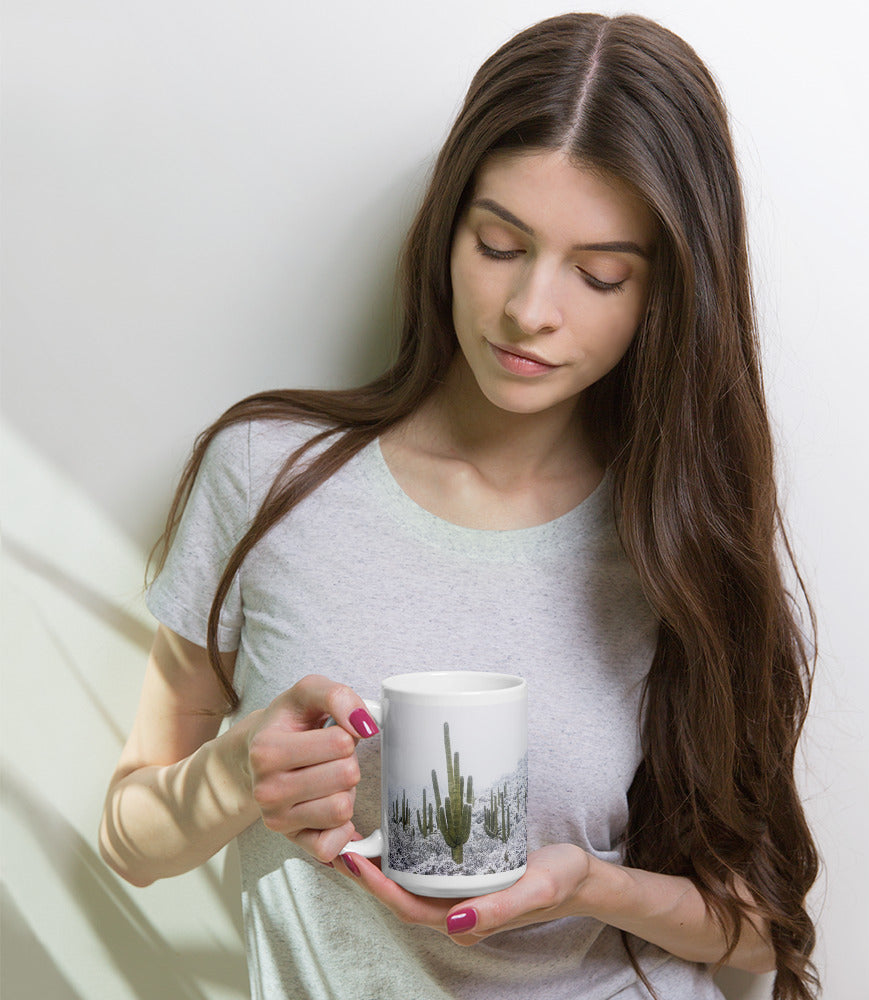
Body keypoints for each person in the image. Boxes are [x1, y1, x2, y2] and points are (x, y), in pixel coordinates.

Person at [99, 12, 819, 1000]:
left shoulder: (673, 537)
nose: (531, 309)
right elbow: (130, 840)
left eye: (600, 273)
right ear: (447, 228)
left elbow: (758, 929)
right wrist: (234, 775)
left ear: (664, 297)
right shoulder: (265, 476)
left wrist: (591, 884)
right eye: (497, 243)